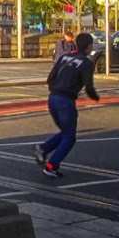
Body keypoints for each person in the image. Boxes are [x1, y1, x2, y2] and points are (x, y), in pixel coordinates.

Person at [34, 32, 99, 178]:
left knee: (66, 131)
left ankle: (43, 149)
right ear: (89, 47)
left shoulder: (65, 57)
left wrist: (54, 89)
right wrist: (96, 98)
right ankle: (52, 166)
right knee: (70, 137)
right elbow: (89, 87)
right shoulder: (87, 63)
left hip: (53, 98)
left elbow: (50, 77)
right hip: (66, 101)